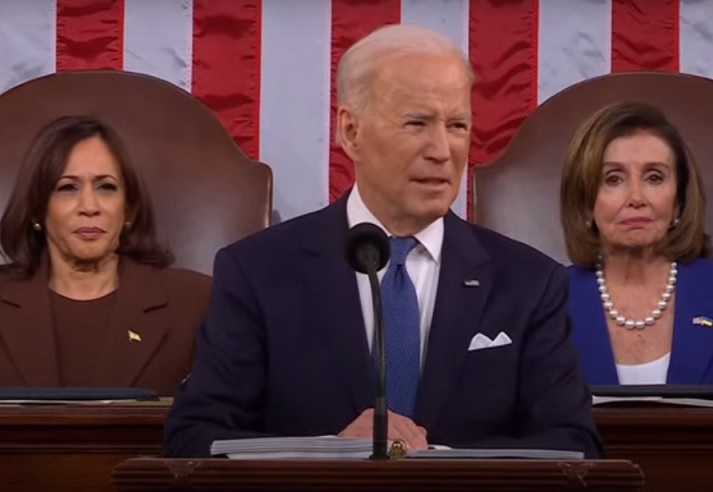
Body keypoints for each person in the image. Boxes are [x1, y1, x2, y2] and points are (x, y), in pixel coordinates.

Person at [164, 24, 602, 458]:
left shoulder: (527, 281)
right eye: (417, 123)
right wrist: (331, 453)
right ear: (351, 132)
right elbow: (195, 438)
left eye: (457, 125)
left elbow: (574, 444)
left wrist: (437, 458)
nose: (442, 149)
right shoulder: (258, 270)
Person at [0, 115, 211, 396]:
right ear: (38, 209)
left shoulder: (197, 303)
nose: (89, 206)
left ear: (129, 210)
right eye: (68, 188)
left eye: (106, 187)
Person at [561, 101, 713, 385]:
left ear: (679, 200)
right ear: (584, 202)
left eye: (654, 177)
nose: (636, 198)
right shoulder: (547, 302)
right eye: (613, 179)